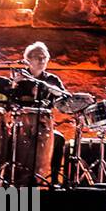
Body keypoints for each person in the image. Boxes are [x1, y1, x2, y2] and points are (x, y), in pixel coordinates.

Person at [19, 42, 70, 187]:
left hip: (44, 126)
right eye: (37, 57)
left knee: (59, 139)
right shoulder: (20, 78)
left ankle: (53, 180)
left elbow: (64, 100)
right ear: (28, 60)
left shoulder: (52, 81)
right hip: (23, 125)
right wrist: (14, 86)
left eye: (44, 58)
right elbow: (10, 103)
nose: (42, 61)